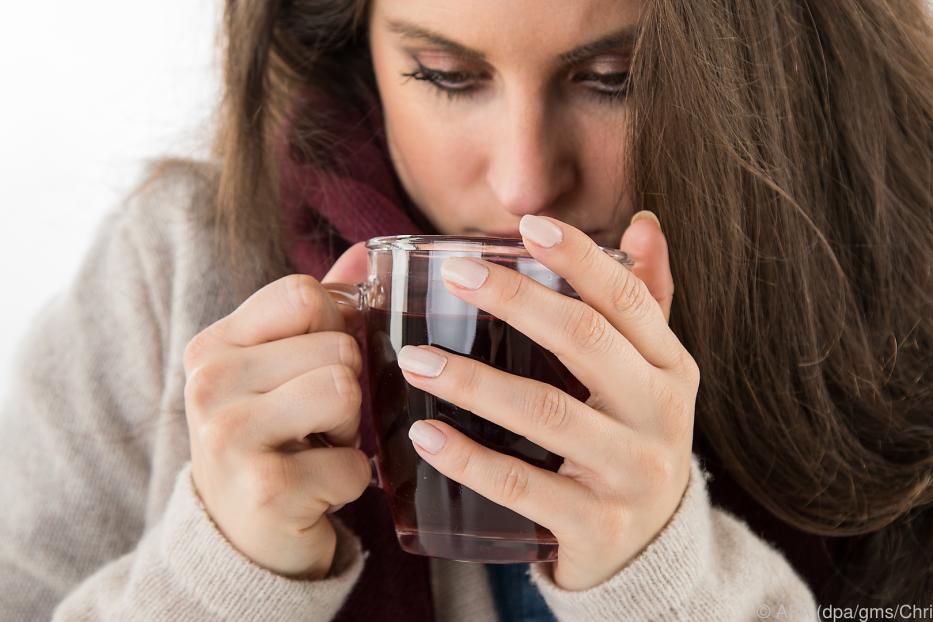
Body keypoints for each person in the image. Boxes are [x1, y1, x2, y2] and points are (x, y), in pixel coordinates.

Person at [1, 0, 930, 620]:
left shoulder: (903, 294)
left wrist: (666, 579)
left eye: (612, 77)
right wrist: (218, 577)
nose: (525, 182)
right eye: (446, 75)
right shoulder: (175, 273)